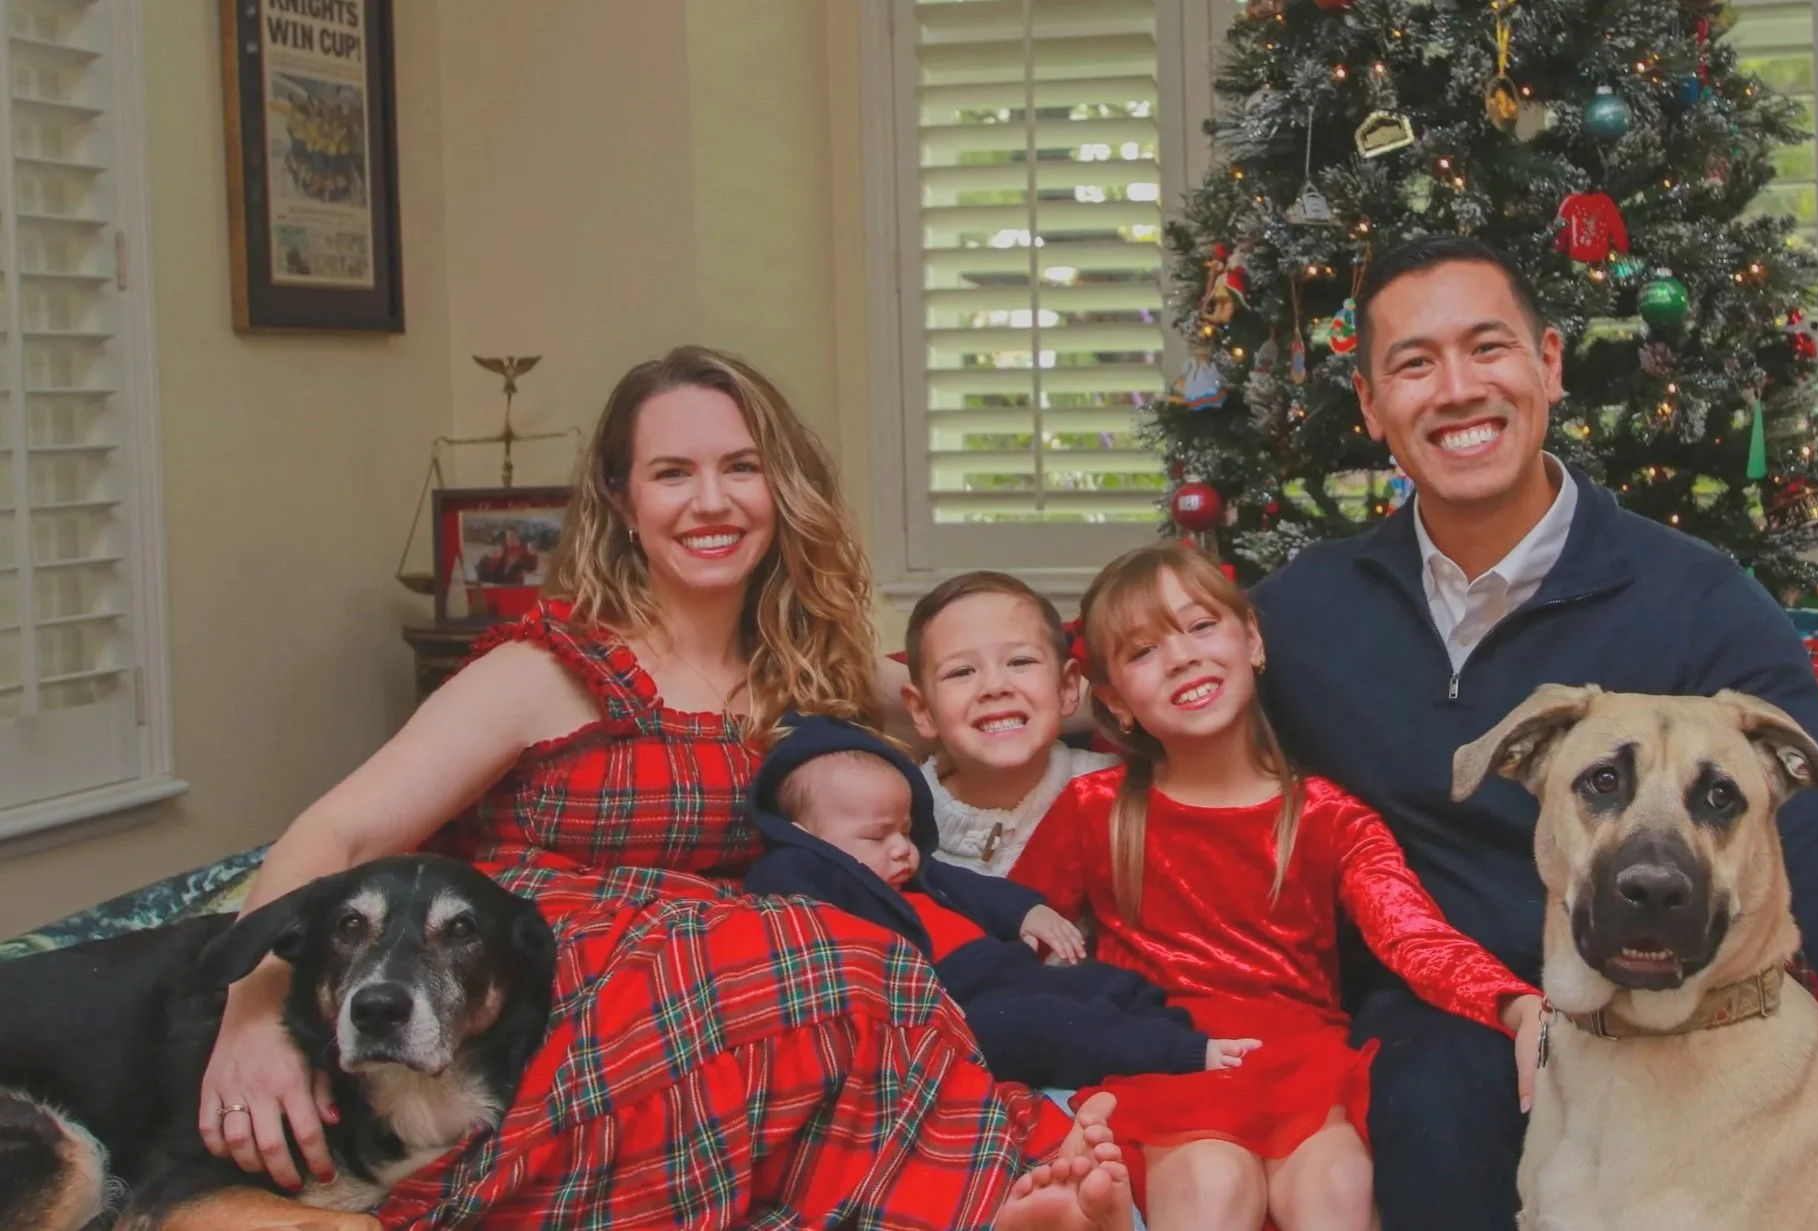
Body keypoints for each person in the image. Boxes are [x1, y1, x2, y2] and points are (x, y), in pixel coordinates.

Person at [196, 345, 1134, 1231]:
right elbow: (339, 832)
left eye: (741, 467)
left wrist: (1160, 681)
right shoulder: (544, 668)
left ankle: (984, 1196)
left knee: (865, 965)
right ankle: (983, 1201)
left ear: (780, 486)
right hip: (567, 991)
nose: (711, 501)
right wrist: (253, 1017)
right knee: (834, 958)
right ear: (622, 496)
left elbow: (990, 692)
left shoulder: (811, 666)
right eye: (673, 472)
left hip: (746, 1000)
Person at [1247, 235, 1818, 1231]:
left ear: (1549, 364)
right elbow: (1145, 711)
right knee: (1427, 1085)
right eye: (1414, 364)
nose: (1459, 389)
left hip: (1659, 1011)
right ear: (1370, 404)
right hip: (1449, 1023)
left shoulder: (1695, 598)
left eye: (1487, 347)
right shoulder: (1302, 614)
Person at [1012, 541, 1544, 1231]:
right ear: (1115, 701)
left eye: (1201, 626)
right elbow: (1009, 941)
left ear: (1253, 640)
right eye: (1143, 651)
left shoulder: (1327, 814)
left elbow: (1411, 932)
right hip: (1167, 1063)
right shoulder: (1095, 810)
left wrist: (1514, 1004)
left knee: (1336, 1188)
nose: (1181, 657)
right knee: (1214, 1183)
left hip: (1305, 1071)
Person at [744, 713, 1261, 1091]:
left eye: (905, 828)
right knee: (1040, 1026)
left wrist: (1027, 912)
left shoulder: (914, 873)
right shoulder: (799, 874)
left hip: (1006, 969)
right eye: (878, 836)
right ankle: (1179, 1054)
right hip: (954, 1008)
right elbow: (794, 922)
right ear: (805, 838)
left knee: (1106, 983)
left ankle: (1165, 1030)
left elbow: (976, 888)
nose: (902, 847)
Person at [900, 571, 1117, 876]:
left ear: (1067, 687)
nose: (995, 686)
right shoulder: (894, 818)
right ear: (922, 710)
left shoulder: (1121, 792)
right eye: (962, 672)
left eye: (1020, 662)